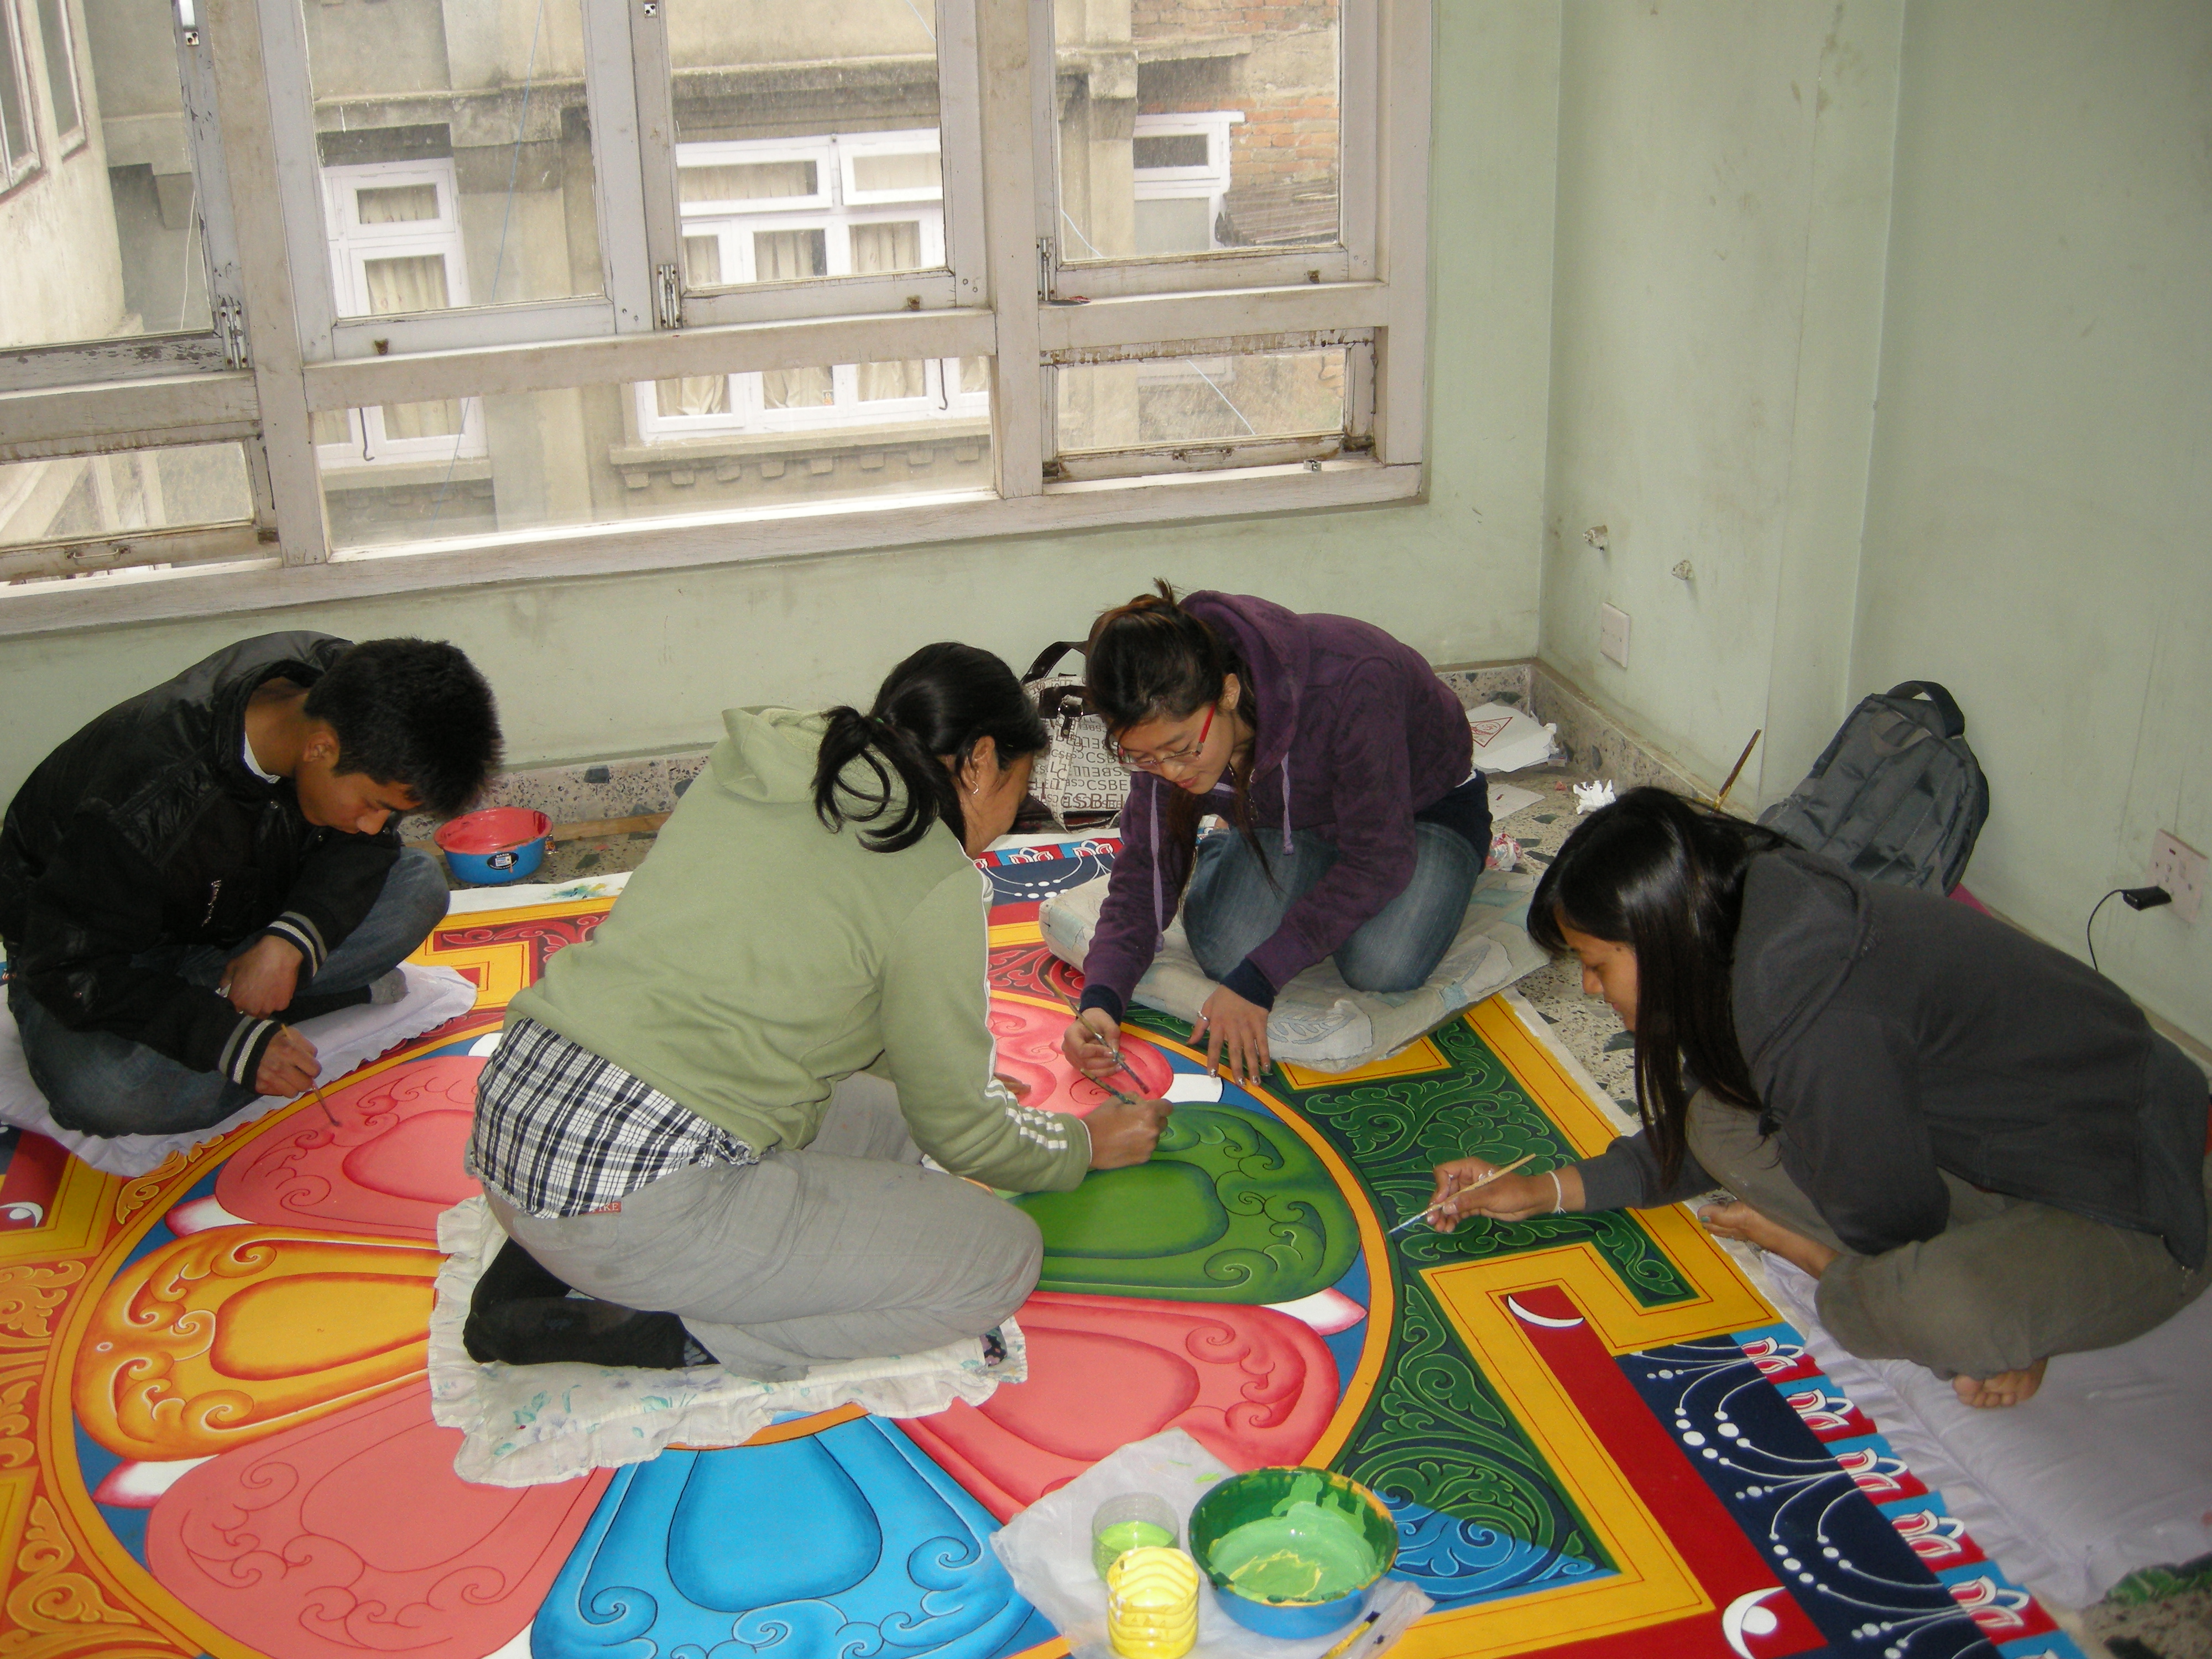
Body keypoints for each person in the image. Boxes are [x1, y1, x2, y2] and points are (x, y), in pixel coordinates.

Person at [462, 643, 1172, 1378]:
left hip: (522, 1127)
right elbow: (963, 1134)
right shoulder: (931, 872)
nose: (1010, 817)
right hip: (627, 1212)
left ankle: (542, 1265)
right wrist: (1081, 1147)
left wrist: (955, 1083)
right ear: (981, 760)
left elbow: (832, 986)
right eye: (1018, 789)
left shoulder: (768, 763)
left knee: (896, 1132)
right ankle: (646, 1331)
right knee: (1000, 1260)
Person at [1426, 787, 2210, 1409]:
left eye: (1597, 965)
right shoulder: (1744, 924)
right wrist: (1544, 1190)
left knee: (1945, 1308)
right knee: (1718, 1126)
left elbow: (1896, 1227)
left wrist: (1819, 1257)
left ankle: (1991, 1303)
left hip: (2144, 1191)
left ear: (1661, 935)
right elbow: (1709, 1124)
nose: (1592, 990)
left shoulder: (1816, 1018)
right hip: (1997, 1153)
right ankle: (2004, 1292)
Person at [0, 632, 499, 1139]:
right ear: (320, 748)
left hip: (230, 914)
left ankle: (248, 1002)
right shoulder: (143, 805)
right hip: (93, 959)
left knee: (417, 888)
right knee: (110, 1093)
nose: (377, 826)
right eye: (374, 804)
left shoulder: (349, 695)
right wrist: (224, 1039)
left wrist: (290, 939)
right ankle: (266, 1015)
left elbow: (364, 852)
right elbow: (66, 967)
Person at [1061, 583, 1488, 1087]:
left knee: (1383, 965)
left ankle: (1320, 881)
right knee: (1227, 946)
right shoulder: (1165, 747)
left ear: (1228, 692)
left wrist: (1259, 980)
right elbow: (1144, 873)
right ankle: (1249, 852)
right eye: (1144, 758)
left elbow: (1379, 859)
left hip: (1421, 808)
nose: (1170, 772)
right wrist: (1102, 999)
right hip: (1290, 821)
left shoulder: (1352, 680)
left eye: (1181, 750)